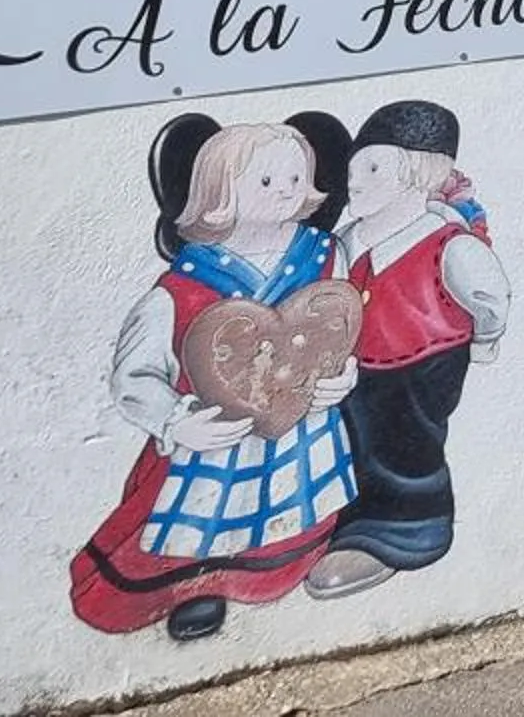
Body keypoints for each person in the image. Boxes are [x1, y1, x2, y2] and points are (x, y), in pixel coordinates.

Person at [69, 115, 360, 641]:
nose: (285, 194)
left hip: (298, 427)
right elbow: (134, 376)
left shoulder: (324, 256)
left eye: (296, 180)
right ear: (217, 193)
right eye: (266, 182)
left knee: (290, 508)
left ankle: (274, 569)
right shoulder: (179, 290)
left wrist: (340, 376)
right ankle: (196, 588)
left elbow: (336, 329)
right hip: (216, 438)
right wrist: (177, 421)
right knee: (200, 524)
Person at [309, 99, 509, 598]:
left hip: (421, 364)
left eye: (373, 167)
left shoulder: (449, 243)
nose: (355, 181)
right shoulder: (346, 240)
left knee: (404, 448)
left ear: (420, 172)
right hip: (356, 368)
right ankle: (349, 522)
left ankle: (408, 530)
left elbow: (489, 300)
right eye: (353, 169)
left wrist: (480, 346)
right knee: (353, 442)